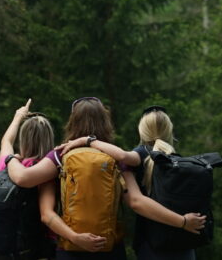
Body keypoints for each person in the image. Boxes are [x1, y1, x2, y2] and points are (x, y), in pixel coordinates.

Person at [5, 97, 205, 259]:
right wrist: (182, 221)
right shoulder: (114, 156)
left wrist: (9, 157)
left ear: (72, 122)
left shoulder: (61, 154)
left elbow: (25, 180)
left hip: (69, 248)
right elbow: (136, 201)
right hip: (109, 248)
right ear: (105, 122)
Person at [61, 105, 193, 260]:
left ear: (142, 130)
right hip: (184, 241)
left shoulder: (143, 153)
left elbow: (122, 156)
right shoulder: (177, 158)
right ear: (169, 130)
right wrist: (184, 222)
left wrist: (88, 140)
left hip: (152, 241)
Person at [0, 98, 57, 259]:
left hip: (9, 244)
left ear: (24, 138)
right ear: (49, 137)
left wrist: (18, 117)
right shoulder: (47, 168)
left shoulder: (8, 165)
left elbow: (6, 141)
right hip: (40, 245)